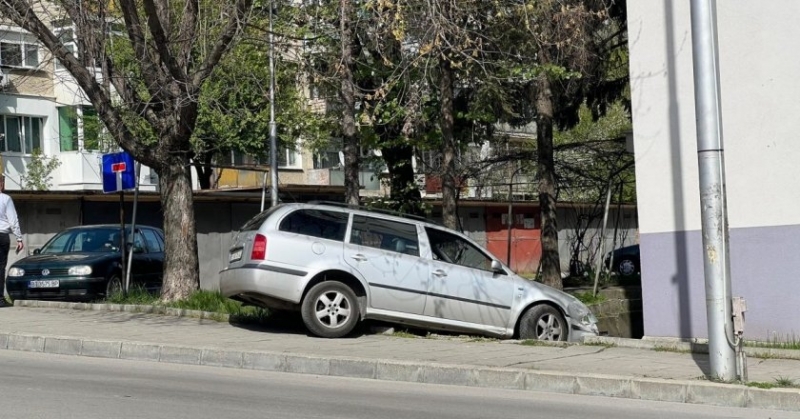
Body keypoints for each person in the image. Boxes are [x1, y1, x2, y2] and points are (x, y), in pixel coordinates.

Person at [0, 175, 23, 307]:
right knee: (0, 267)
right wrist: (19, 238)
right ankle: (0, 299)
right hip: (2, 235)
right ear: (1, 184)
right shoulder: (5, 199)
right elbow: (13, 220)